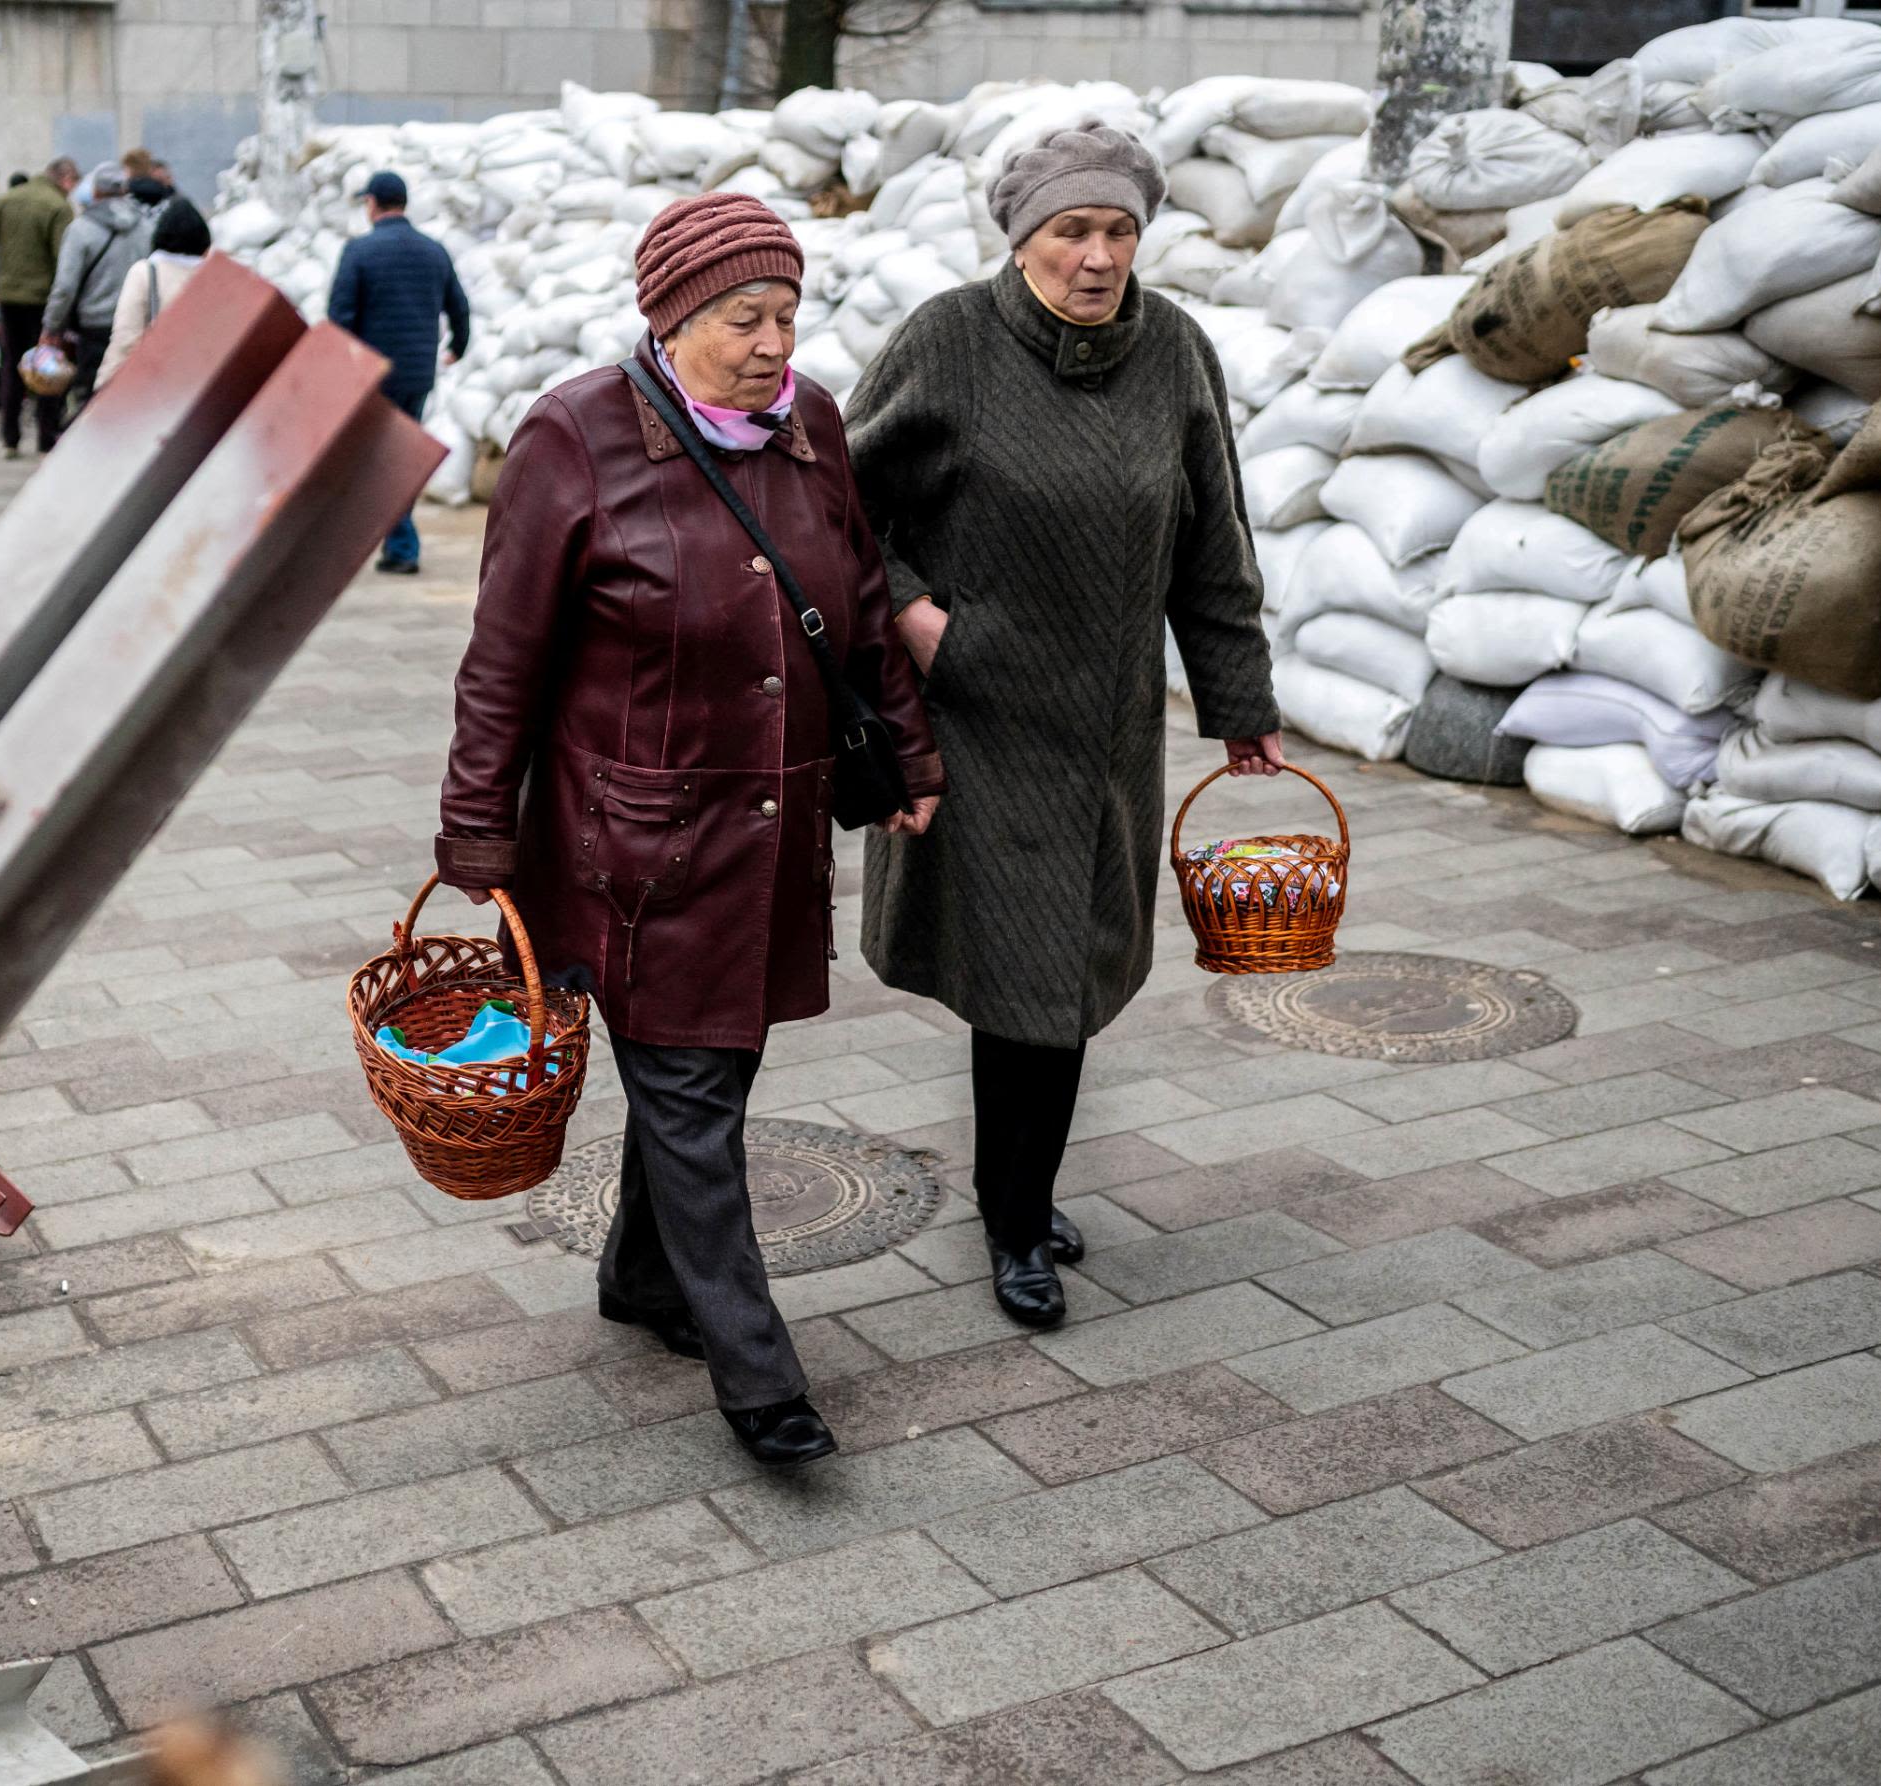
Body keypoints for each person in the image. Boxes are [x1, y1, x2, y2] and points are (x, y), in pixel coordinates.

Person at [434, 194, 944, 1468]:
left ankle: (642, 1278)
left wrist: (908, 755)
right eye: (740, 318)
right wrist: (475, 841)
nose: (773, 342)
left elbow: (863, 602)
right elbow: (502, 662)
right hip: (637, 848)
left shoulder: (812, 422)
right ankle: (757, 1373)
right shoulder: (573, 435)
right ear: (669, 318)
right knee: (692, 1093)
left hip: (774, 826)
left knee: (712, 1070)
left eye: (785, 312)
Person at [846, 121, 1283, 1331]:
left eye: (1116, 230)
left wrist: (1238, 702)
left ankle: (1018, 1191)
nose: (1096, 257)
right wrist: (917, 617)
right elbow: (833, 504)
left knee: (1071, 972)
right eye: (1068, 232)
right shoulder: (948, 341)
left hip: (1104, 731)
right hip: (976, 720)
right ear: (1021, 238)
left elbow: (1211, 540)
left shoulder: (1175, 352)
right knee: (1022, 975)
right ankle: (1013, 1217)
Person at [327, 171, 470, 575]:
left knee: (378, 460)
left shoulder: (359, 251)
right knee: (396, 455)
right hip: (418, 373)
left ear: (372, 203)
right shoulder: (433, 251)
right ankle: (395, 543)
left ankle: (401, 545)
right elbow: (459, 306)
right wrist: (457, 347)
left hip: (374, 374)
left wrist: (341, 368)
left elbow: (340, 317)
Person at [0, 155, 78, 457]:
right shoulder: (58, 206)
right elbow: (64, 259)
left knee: (12, 365)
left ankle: (10, 437)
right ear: (65, 179)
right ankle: (45, 437)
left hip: (9, 297)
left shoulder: (6, 199)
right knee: (47, 365)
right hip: (43, 300)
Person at [41, 171, 150, 410]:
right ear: (124, 191)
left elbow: (65, 286)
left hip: (94, 326)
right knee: (131, 397)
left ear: (95, 192)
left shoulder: (80, 228)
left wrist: (51, 326)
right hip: (136, 324)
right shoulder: (145, 226)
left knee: (93, 397)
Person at [96, 197, 209, 381]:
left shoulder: (146, 272)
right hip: (198, 378)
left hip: (156, 380)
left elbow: (126, 337)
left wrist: (105, 383)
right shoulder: (213, 276)